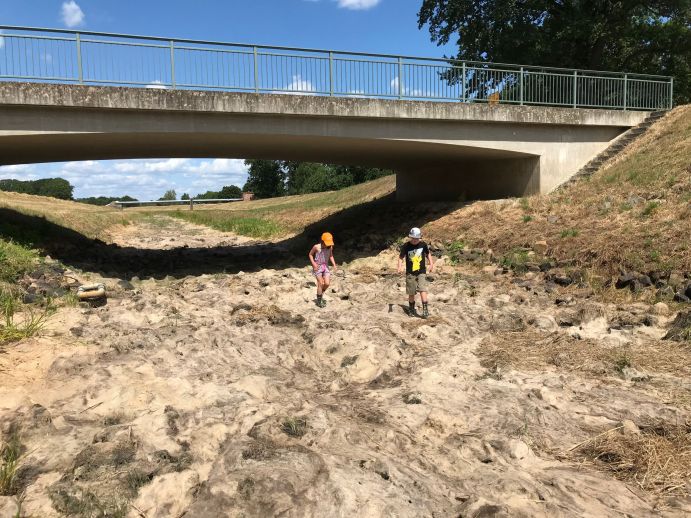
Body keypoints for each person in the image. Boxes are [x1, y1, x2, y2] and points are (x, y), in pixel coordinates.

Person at [398, 227, 434, 318]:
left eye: (417, 238)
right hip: (410, 273)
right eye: (413, 238)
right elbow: (401, 257)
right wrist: (400, 266)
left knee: (422, 289)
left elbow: (428, 254)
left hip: (421, 271)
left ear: (419, 238)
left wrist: (431, 263)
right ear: (410, 237)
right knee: (411, 292)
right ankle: (411, 309)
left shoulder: (423, 245)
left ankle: (425, 309)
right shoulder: (406, 246)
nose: (415, 240)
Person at [309, 232, 337, 308]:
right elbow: (310, 254)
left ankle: (320, 294)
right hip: (317, 267)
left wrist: (334, 264)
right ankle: (319, 301)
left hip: (326, 266)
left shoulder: (330, 247)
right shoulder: (316, 247)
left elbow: (331, 256)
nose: (327, 245)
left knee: (327, 283)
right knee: (320, 283)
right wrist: (314, 264)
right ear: (322, 241)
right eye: (326, 243)